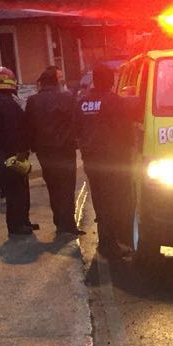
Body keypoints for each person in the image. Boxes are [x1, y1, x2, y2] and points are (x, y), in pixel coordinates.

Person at [77, 64, 136, 258]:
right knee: (114, 202)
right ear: (110, 81)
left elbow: (77, 129)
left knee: (100, 201)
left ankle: (105, 242)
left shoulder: (83, 102)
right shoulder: (113, 101)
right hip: (112, 161)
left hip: (91, 161)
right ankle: (111, 244)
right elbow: (125, 130)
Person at [26, 66, 83, 236]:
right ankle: (69, 224)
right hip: (65, 149)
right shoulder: (67, 97)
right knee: (67, 186)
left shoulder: (33, 101)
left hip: (45, 151)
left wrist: (32, 146)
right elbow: (76, 121)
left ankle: (59, 221)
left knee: (53, 186)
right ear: (56, 81)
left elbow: (29, 125)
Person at [0, 67, 35, 236]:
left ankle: (22, 221)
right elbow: (16, 131)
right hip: (12, 156)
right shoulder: (8, 104)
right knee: (17, 191)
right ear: (12, 83)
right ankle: (17, 226)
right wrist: (22, 151)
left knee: (15, 191)